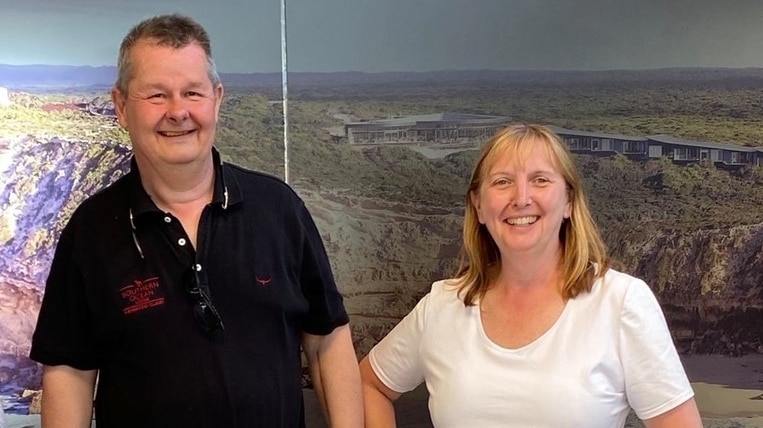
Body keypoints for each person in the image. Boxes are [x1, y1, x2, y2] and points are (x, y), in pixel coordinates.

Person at [29, 14, 362, 428]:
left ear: (217, 98)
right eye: (156, 95)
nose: (178, 111)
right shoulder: (90, 232)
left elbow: (326, 338)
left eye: (192, 92)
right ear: (121, 106)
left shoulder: (280, 210)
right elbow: (69, 371)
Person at [359, 124, 702, 427]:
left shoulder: (621, 302)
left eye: (539, 180)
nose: (521, 199)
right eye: (503, 182)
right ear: (478, 206)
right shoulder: (441, 306)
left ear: (568, 201)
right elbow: (368, 384)